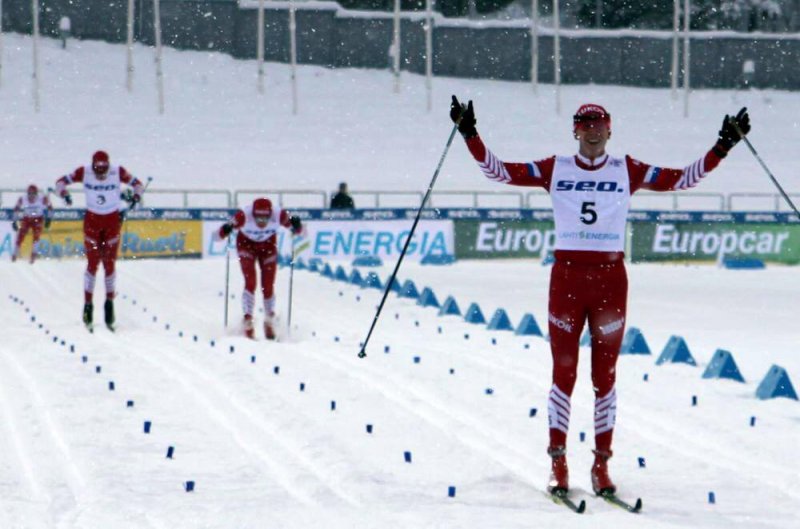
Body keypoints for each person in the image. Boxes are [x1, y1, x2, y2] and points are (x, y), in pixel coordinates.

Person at [450, 95, 750, 497]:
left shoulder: (627, 168)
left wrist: (722, 147)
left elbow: (682, 179)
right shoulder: (555, 167)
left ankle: (601, 465)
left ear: (610, 129)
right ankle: (558, 462)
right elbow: (499, 172)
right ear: (575, 130)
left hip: (610, 280)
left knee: (604, 377)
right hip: (568, 279)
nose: (592, 129)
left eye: (599, 123)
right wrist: (470, 134)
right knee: (564, 374)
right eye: (584, 123)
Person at [55, 150, 145, 331]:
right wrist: (64, 194)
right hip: (92, 222)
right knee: (92, 263)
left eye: (104, 170)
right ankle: (88, 305)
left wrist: (135, 197)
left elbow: (139, 185)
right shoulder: (84, 171)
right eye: (98, 170)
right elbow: (60, 182)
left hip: (112, 221)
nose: (101, 174)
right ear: (93, 166)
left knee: (109, 265)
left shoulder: (118, 171)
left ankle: (109, 304)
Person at [218, 198, 303, 340]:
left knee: (268, 285)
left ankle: (269, 321)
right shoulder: (243, 215)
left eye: (265, 217)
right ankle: (248, 321)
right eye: (258, 217)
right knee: (250, 282)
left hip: (268, 247)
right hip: (246, 245)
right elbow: (222, 233)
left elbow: (298, 230)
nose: (262, 221)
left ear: (270, 214)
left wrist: (296, 224)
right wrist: (226, 229)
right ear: (253, 213)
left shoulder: (279, 214)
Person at [12, 184, 53, 263]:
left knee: (37, 235)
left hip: (38, 218)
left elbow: (50, 207)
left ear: (36, 194)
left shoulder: (42, 199)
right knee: (21, 234)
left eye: (33, 194)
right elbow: (16, 209)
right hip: (27, 218)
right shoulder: (23, 199)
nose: (31, 196)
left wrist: (49, 219)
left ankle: (34, 254)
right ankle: (15, 253)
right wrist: (14, 220)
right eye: (29, 194)